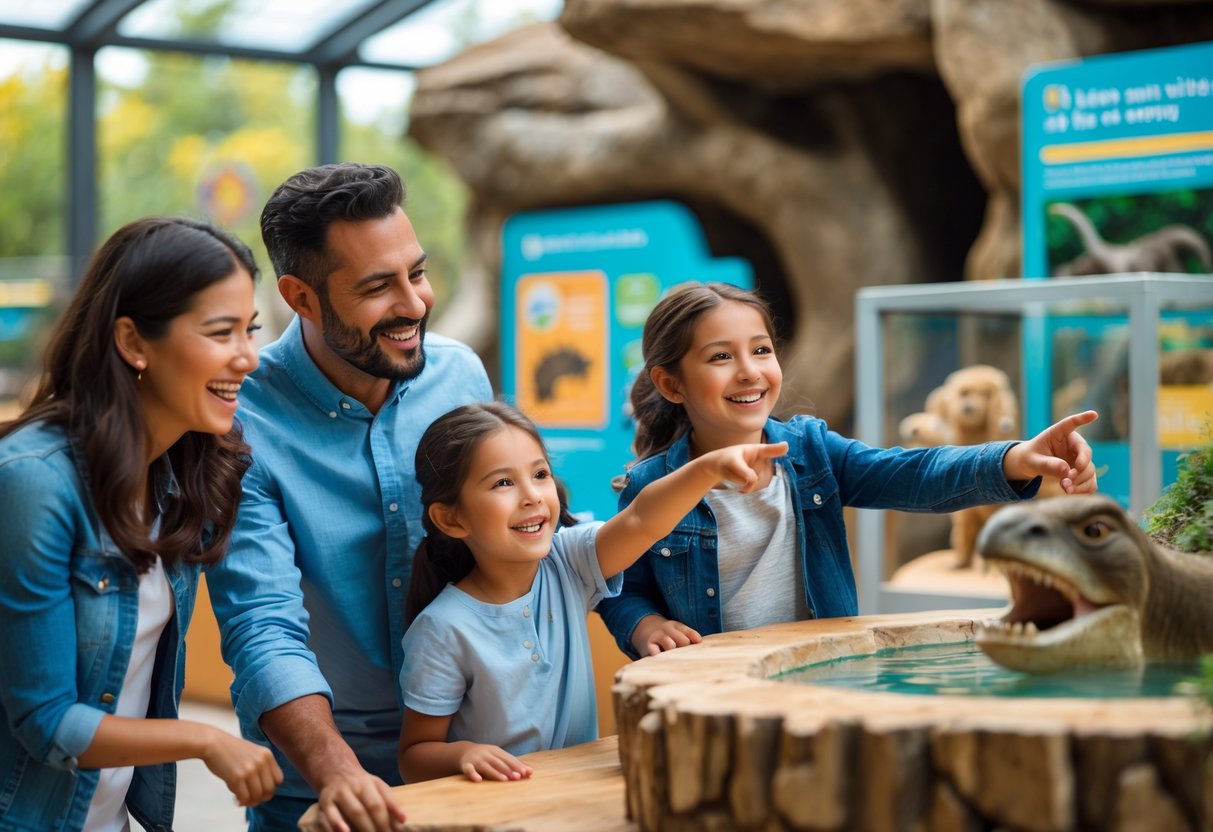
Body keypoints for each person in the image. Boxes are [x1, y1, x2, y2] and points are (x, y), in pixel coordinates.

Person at [204, 163, 492, 832]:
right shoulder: (239, 422)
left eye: (416, 273)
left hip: (472, 767)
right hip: (319, 795)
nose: (415, 304)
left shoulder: (461, 375)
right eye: (376, 287)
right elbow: (262, 622)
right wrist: (339, 774)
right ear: (301, 298)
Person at [596, 282, 1099, 658]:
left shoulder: (811, 449)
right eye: (721, 357)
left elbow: (912, 474)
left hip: (819, 673)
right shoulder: (651, 487)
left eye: (761, 350)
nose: (749, 370)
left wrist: (1013, 458)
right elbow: (620, 588)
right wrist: (642, 625)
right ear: (671, 384)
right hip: (713, 689)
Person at [0, 217, 283, 831]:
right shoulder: (34, 482)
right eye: (221, 332)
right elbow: (47, 721)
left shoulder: (185, 476)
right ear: (133, 341)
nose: (249, 358)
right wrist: (205, 740)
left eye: (251, 331)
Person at [397, 402, 785, 783]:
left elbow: (640, 519)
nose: (532, 495)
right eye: (503, 483)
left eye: (540, 474)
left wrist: (707, 469)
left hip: (575, 802)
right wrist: (463, 754)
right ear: (451, 518)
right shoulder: (442, 629)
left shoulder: (568, 562)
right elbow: (414, 758)